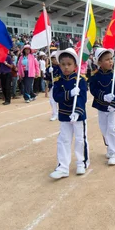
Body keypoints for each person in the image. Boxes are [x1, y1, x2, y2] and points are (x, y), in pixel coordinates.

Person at [49, 48, 89, 179]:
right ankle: (63, 167)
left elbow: (83, 98)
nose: (66, 67)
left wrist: (77, 111)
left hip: (78, 115)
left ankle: (81, 162)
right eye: (63, 64)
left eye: (69, 64)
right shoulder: (58, 81)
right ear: (59, 65)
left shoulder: (80, 80)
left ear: (75, 66)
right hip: (64, 114)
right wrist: (69, 93)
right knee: (63, 140)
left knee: (79, 139)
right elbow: (56, 97)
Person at [89, 48, 115, 166]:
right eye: (107, 60)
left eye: (111, 59)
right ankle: (109, 146)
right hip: (101, 105)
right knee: (104, 128)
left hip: (112, 108)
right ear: (99, 62)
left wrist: (114, 104)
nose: (110, 61)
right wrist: (103, 96)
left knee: (112, 128)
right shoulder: (95, 76)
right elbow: (93, 89)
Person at [44, 51, 61, 121]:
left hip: (60, 85)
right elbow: (46, 78)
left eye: (57, 58)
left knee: (61, 100)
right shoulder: (49, 67)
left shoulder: (61, 66)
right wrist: (49, 72)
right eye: (54, 59)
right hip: (52, 85)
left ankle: (61, 113)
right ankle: (54, 114)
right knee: (52, 100)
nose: (56, 60)